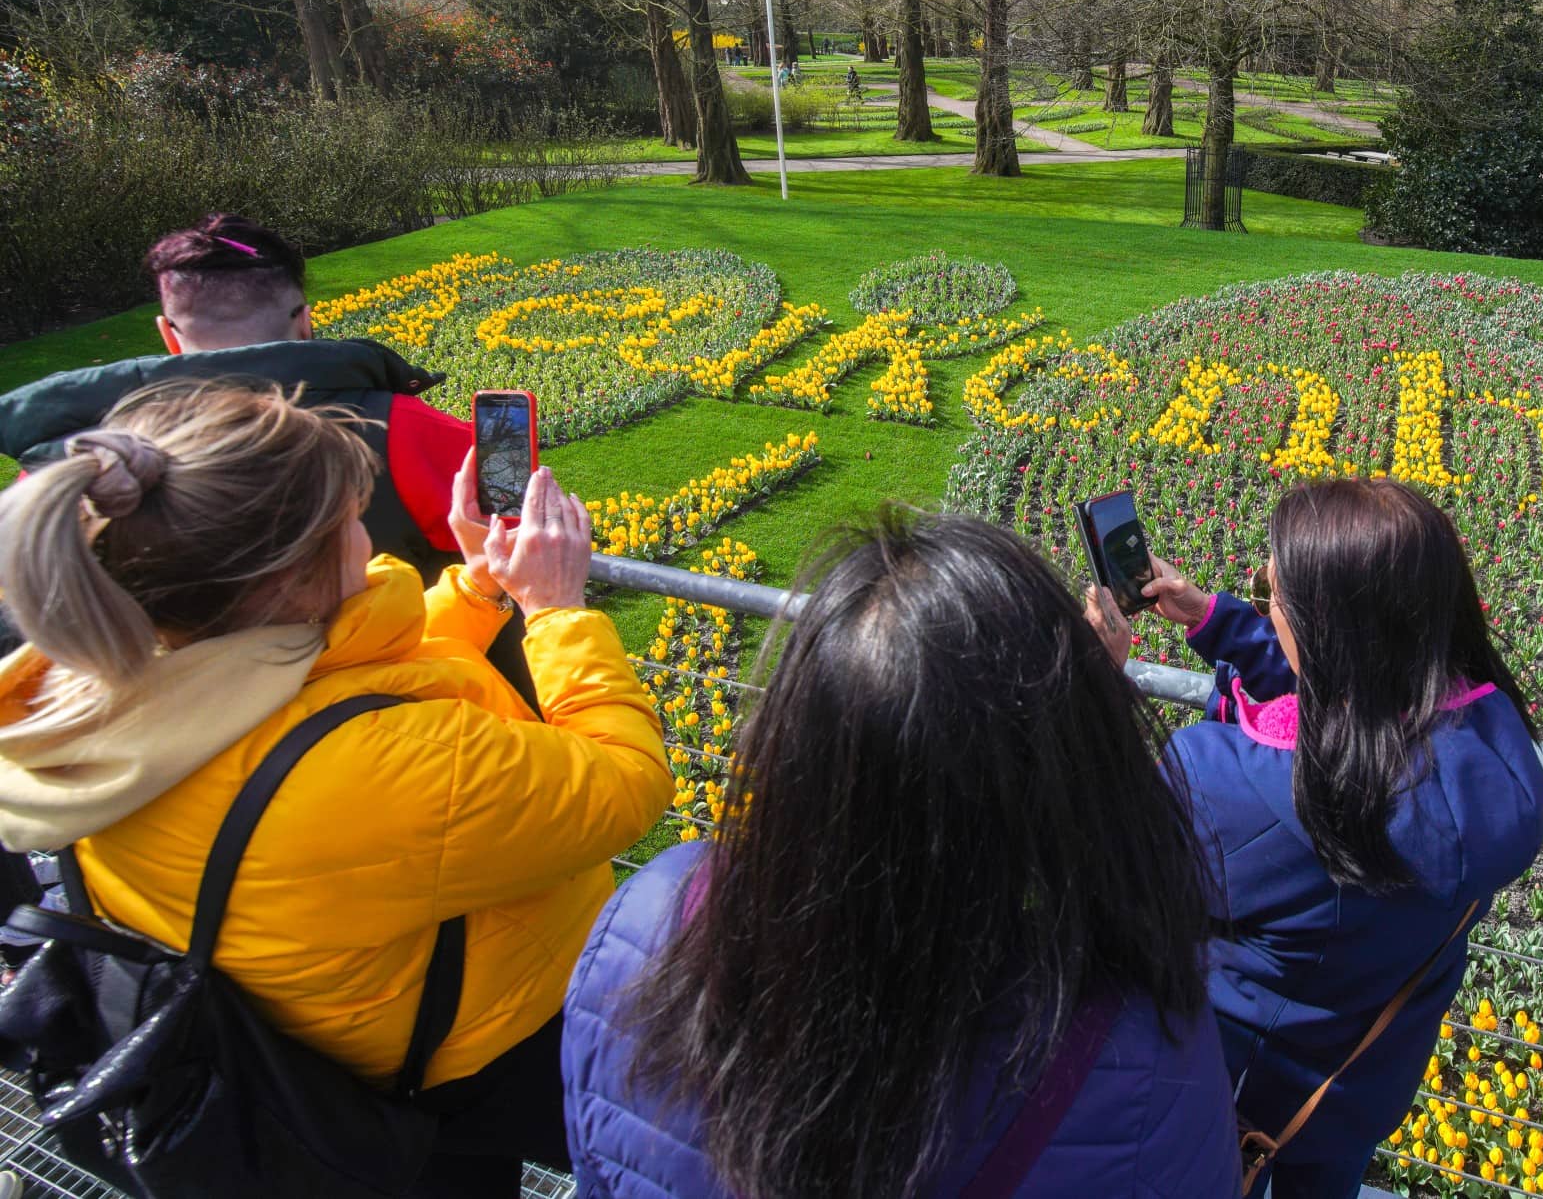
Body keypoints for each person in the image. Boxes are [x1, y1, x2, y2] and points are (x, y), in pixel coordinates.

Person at [0, 380, 671, 1199]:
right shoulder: (379, 770)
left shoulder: (101, 683)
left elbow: (342, 687)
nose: (369, 530)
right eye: (353, 516)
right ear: (298, 573)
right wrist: (557, 611)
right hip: (457, 1059)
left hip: (309, 1043)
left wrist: (478, 586)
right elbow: (624, 784)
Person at [562, 511, 1239, 1199]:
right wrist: (1080, 721)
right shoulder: (1138, 1054)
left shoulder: (648, 921)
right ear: (1039, 778)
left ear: (796, 737)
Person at [1087, 478, 1543, 1199]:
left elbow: (1105, 847)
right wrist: (1216, 619)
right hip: (1360, 1083)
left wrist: (1098, 689)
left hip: (1231, 1084)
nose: (1267, 595)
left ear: (1323, 627)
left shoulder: (1235, 788)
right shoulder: (1495, 748)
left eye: (1275, 594)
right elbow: (1349, 694)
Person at [0, 213, 533, 697]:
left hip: (168, 729)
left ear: (169, 334)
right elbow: (517, 556)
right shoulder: (413, 432)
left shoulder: (80, 470)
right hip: (410, 712)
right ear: (303, 320)